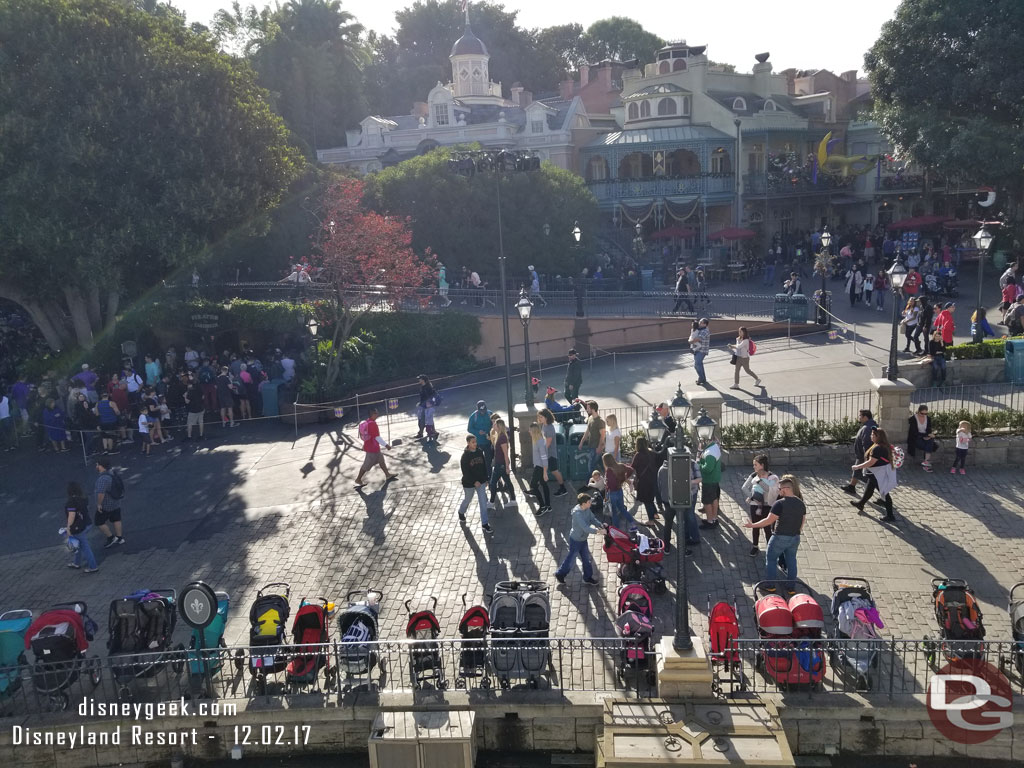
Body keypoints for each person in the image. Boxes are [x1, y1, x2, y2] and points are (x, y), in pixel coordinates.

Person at [744, 475, 806, 592]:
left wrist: (753, 525)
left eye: (780, 489)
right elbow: (803, 520)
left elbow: (768, 521)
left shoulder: (780, 504)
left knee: (771, 560)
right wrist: (797, 531)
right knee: (791, 560)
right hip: (795, 538)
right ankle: (791, 587)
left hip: (780, 537)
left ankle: (770, 586)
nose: (778, 491)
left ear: (786, 489)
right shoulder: (800, 503)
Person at [554, 493, 602, 586]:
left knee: (586, 559)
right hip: (576, 540)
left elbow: (592, 519)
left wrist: (600, 525)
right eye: (589, 502)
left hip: (583, 539)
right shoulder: (577, 514)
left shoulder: (587, 509)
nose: (591, 503)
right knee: (571, 560)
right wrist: (599, 531)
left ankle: (587, 577)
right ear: (583, 503)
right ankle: (560, 574)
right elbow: (585, 528)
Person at [851, 427, 897, 521]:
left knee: (885, 493)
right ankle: (861, 503)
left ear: (878, 436)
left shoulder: (878, 448)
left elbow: (871, 462)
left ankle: (890, 516)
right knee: (869, 488)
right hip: (876, 473)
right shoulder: (883, 445)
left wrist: (857, 467)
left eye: (873, 435)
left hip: (879, 474)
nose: (871, 436)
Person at [742, 454, 780, 556]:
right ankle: (755, 546)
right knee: (755, 526)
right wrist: (752, 496)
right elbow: (744, 487)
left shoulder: (773, 477)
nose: (754, 467)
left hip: (767, 505)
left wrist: (759, 481)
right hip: (755, 505)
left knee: (767, 527)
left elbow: (770, 490)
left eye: (755, 465)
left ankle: (770, 548)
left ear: (762, 465)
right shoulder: (753, 475)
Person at [354, 408, 398, 487]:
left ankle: (387, 475)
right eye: (376, 413)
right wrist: (386, 445)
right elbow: (377, 437)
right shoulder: (372, 424)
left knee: (381, 460)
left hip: (372, 447)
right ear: (373, 414)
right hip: (372, 449)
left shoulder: (368, 422)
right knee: (366, 465)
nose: (378, 414)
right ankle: (358, 479)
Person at [457, 435, 492, 533]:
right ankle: (461, 512)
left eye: (475, 442)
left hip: (480, 482)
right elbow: (465, 472)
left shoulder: (480, 452)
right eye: (473, 442)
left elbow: (484, 466)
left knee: (483, 503)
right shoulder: (465, 456)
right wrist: (473, 481)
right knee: (468, 499)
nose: (475, 444)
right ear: (468, 443)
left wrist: (486, 479)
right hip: (469, 483)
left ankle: (485, 524)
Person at [63, 482, 98, 573]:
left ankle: (93, 566)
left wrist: (68, 528)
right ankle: (76, 563)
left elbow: (72, 516)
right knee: (77, 544)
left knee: (84, 547)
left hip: (78, 527)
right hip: (87, 524)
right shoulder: (84, 498)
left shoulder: (71, 502)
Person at [841, 409, 877, 495]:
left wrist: (866, 457)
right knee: (856, 470)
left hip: (863, 455)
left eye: (860, 416)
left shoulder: (867, 428)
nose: (859, 418)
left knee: (868, 476)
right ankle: (851, 486)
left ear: (865, 417)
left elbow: (866, 443)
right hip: (861, 454)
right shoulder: (869, 425)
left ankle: (880, 491)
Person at [94, 457, 125, 548]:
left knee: (99, 521)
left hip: (106, 505)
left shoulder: (103, 479)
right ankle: (119, 538)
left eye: (97, 465)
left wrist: (99, 504)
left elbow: (101, 493)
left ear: (101, 466)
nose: (96, 466)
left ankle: (111, 537)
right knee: (116, 519)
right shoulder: (112, 473)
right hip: (116, 502)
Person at [629, 437, 661, 523]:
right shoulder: (652, 452)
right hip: (654, 478)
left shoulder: (638, 455)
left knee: (647, 500)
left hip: (644, 481)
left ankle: (651, 520)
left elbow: (632, 467)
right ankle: (655, 514)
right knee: (650, 498)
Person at [537, 408, 568, 496]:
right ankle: (537, 486)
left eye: (541, 417)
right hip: (546, 453)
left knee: (554, 471)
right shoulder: (544, 425)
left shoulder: (549, 428)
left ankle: (563, 488)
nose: (539, 418)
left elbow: (548, 443)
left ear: (546, 417)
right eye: (539, 417)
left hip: (550, 454)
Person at [603, 452, 636, 530]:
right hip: (619, 491)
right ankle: (633, 524)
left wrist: (606, 486)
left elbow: (610, 484)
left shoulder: (609, 471)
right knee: (622, 509)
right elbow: (631, 470)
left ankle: (616, 529)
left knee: (614, 512)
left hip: (612, 493)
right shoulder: (620, 466)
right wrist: (623, 479)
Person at [488, 418, 516, 507]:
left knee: (492, 483)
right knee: (507, 481)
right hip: (500, 464)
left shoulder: (502, 437)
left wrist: (507, 467)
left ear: (499, 426)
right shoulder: (499, 435)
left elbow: (505, 454)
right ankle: (513, 500)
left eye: (495, 424)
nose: (493, 425)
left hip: (501, 465)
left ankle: (492, 502)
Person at [698, 435, 722, 527]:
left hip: (709, 480)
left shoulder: (710, 453)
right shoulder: (714, 446)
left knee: (707, 501)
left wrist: (699, 464)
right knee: (714, 499)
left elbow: (708, 469)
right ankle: (714, 518)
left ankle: (710, 521)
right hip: (714, 479)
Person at [528, 423, 551, 516]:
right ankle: (548, 505)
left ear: (534, 431)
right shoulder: (537, 440)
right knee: (544, 484)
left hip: (540, 467)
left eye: (530, 430)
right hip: (539, 466)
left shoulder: (540, 442)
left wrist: (545, 472)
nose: (528, 432)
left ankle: (542, 506)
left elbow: (544, 458)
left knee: (533, 485)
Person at [906, 404, 936, 472]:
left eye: (926, 413)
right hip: (916, 438)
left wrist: (929, 435)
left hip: (925, 437)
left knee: (930, 440)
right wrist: (925, 435)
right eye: (922, 413)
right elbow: (914, 432)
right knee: (928, 445)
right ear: (918, 412)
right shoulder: (913, 419)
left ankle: (926, 462)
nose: (924, 415)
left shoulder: (928, 419)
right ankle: (926, 463)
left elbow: (929, 429)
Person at [579, 401, 606, 474]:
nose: (586, 409)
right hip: (591, 446)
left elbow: (603, 435)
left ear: (593, 409)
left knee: (591, 466)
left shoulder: (600, 421)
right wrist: (581, 442)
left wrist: (599, 447)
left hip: (596, 447)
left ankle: (589, 483)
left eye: (588, 408)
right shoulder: (590, 418)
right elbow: (587, 431)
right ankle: (605, 477)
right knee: (600, 464)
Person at [467, 400, 493, 475]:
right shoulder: (473, 416)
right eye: (481, 411)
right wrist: (478, 432)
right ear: (477, 409)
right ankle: (482, 476)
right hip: (478, 443)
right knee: (479, 461)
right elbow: (469, 428)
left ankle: (490, 476)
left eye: (484, 410)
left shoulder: (489, 413)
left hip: (488, 442)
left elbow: (494, 423)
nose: (483, 412)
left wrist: (490, 432)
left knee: (489, 460)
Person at [688, 318, 711, 386]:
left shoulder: (705, 331)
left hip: (702, 350)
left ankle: (700, 378)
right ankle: (703, 379)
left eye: (701, 322)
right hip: (698, 349)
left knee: (696, 365)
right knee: (700, 365)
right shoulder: (701, 329)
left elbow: (698, 339)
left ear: (705, 324)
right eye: (699, 322)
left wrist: (690, 341)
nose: (699, 323)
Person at [416, 374, 437, 440]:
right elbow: (423, 397)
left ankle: (425, 432)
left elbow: (433, 395)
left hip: (427, 406)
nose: (418, 380)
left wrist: (429, 403)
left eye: (420, 379)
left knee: (424, 419)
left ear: (423, 380)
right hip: (423, 405)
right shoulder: (422, 387)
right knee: (425, 419)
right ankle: (431, 432)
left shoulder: (428, 387)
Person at [184, 374, 205, 441]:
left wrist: (185, 396)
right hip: (201, 407)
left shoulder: (190, 391)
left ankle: (189, 436)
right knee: (201, 422)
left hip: (193, 409)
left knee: (189, 423)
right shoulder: (199, 387)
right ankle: (201, 435)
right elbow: (203, 396)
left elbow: (187, 401)